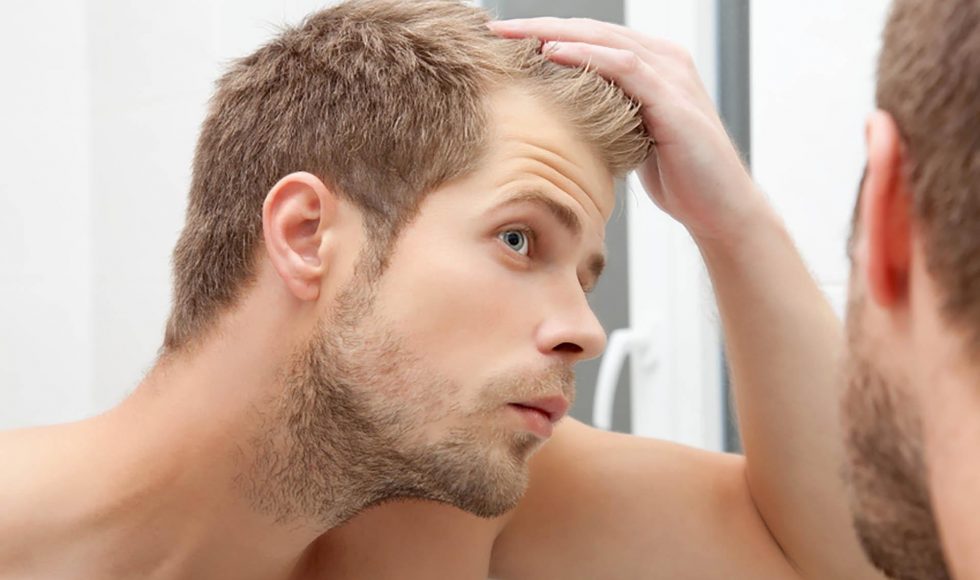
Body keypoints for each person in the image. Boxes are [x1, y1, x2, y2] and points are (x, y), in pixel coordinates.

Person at [0, 0, 968, 579]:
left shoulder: (443, 513)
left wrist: (733, 223)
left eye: (584, 274)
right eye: (518, 239)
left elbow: (865, 558)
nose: (586, 329)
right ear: (305, 236)